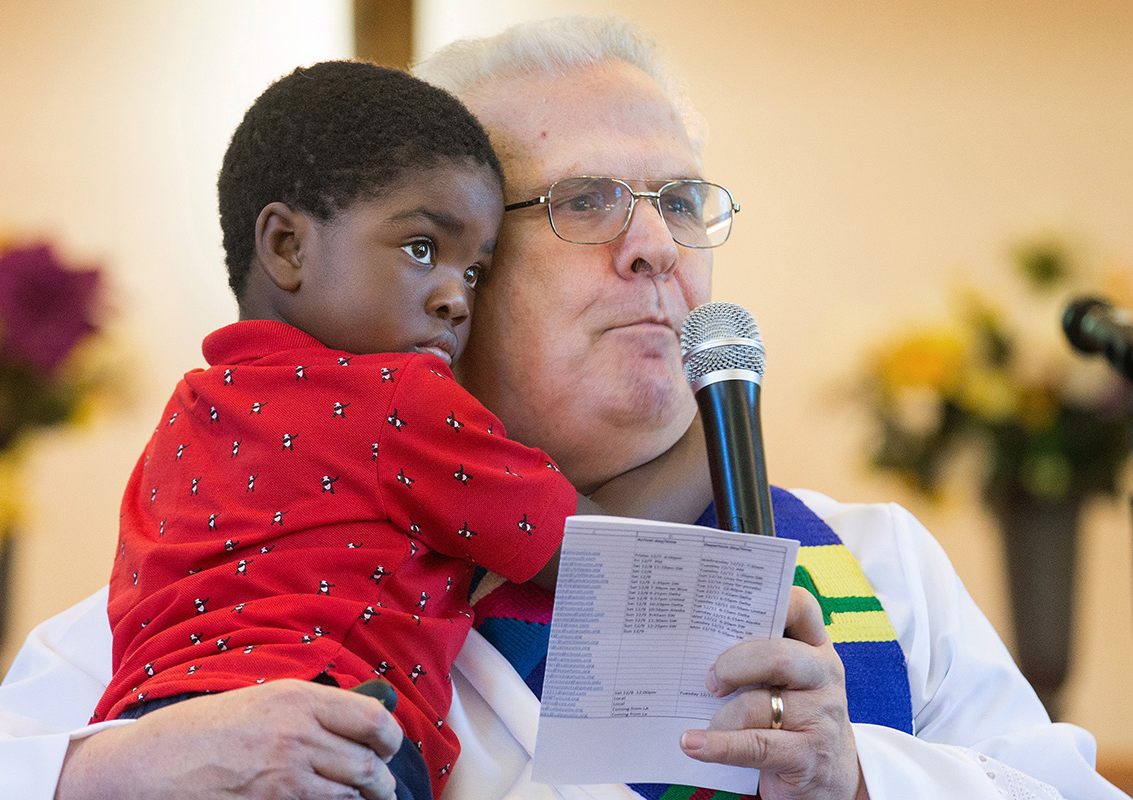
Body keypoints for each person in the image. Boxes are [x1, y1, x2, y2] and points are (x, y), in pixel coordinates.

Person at [0, 14, 1126, 800]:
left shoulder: (877, 563)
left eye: (680, 197)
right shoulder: (263, 574)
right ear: (451, 272)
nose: (657, 244)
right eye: (588, 200)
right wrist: (117, 766)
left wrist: (863, 773)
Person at [90, 58, 709, 800]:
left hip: (152, 743)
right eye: (422, 249)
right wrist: (726, 410)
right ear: (287, 246)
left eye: (475, 271)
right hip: (333, 738)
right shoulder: (397, 401)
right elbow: (598, 559)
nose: (454, 297)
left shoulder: (186, 415)